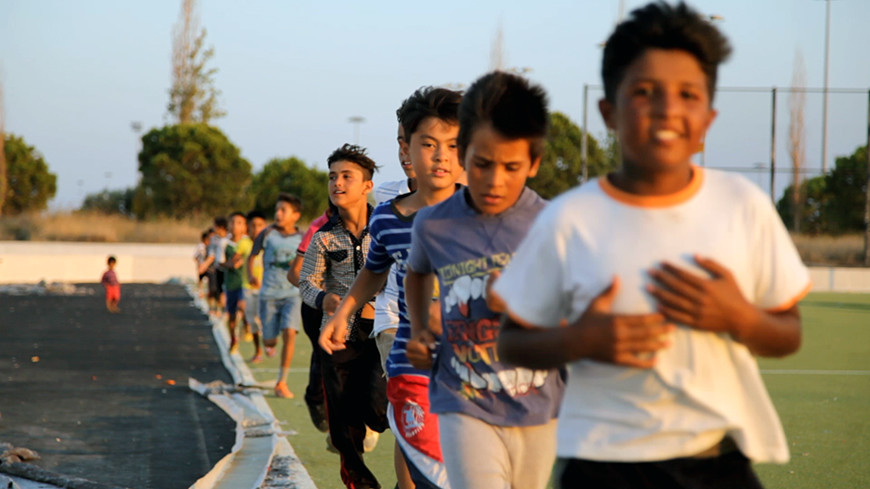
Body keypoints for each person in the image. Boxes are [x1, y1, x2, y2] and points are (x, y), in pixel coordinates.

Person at [493, 3, 811, 489]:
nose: (667, 108)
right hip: (600, 465)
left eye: (688, 94)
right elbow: (512, 340)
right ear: (609, 112)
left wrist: (739, 317)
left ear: (707, 117)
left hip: (715, 459)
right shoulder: (570, 218)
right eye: (644, 92)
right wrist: (583, 340)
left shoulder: (740, 204)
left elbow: (788, 332)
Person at [402, 73, 564, 489]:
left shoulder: (554, 226)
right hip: (462, 398)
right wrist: (421, 330)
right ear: (463, 153)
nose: (495, 181)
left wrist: (521, 303)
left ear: (534, 162)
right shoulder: (434, 224)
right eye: (482, 164)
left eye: (512, 167)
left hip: (538, 405)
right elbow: (417, 272)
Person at [321, 86, 464, 489]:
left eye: (452, 145)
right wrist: (344, 313)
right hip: (406, 344)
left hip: (472, 356)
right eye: (426, 144)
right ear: (407, 147)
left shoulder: (485, 208)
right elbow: (374, 270)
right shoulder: (387, 213)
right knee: (413, 435)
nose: (438, 156)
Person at [299, 143, 387, 489]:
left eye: (346, 176)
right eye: (332, 176)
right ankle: (362, 484)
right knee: (344, 429)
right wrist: (324, 299)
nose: (337, 183)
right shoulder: (323, 238)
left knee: (379, 413)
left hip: (381, 333)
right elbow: (306, 283)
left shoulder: (385, 228)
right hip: (337, 340)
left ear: (367, 186)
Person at [248, 194, 304, 399]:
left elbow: (308, 262)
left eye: (283, 210)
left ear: (295, 215)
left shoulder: (302, 237)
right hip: (269, 294)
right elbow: (252, 256)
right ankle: (268, 341)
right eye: (277, 210)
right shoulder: (267, 233)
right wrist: (251, 274)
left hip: (292, 294)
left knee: (290, 333)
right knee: (270, 341)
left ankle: (282, 382)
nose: (278, 214)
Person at [287, 204, 334, 432]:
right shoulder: (318, 226)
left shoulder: (373, 221)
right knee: (324, 354)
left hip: (356, 305)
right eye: (334, 177)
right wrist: (320, 293)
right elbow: (294, 272)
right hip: (318, 307)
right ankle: (316, 398)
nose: (339, 184)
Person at [222, 211, 251, 354]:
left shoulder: (248, 242)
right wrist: (230, 264)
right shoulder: (224, 243)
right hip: (231, 283)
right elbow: (219, 263)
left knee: (243, 305)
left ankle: (247, 325)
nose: (235, 226)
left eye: (239, 223)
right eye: (232, 222)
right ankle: (233, 339)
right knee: (231, 316)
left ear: (245, 226)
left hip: (245, 283)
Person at [242, 210, 268, 363]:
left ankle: (268, 343)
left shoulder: (270, 243)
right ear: (248, 227)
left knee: (266, 318)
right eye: (253, 225)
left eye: (260, 225)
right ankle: (258, 350)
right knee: (252, 321)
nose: (256, 229)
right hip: (248, 288)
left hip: (266, 288)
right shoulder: (244, 244)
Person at [199, 217, 229, 317]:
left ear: (221, 227)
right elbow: (212, 255)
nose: (213, 228)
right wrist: (205, 265)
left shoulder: (229, 237)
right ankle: (218, 309)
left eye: (215, 226)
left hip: (229, 268)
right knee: (217, 289)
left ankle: (225, 310)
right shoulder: (214, 239)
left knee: (227, 290)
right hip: (218, 268)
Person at [194, 230, 210, 296]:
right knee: (200, 279)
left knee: (209, 279)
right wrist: (199, 264)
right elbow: (195, 256)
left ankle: (208, 291)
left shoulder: (210, 246)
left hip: (208, 265)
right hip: (201, 264)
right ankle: (200, 291)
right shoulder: (200, 246)